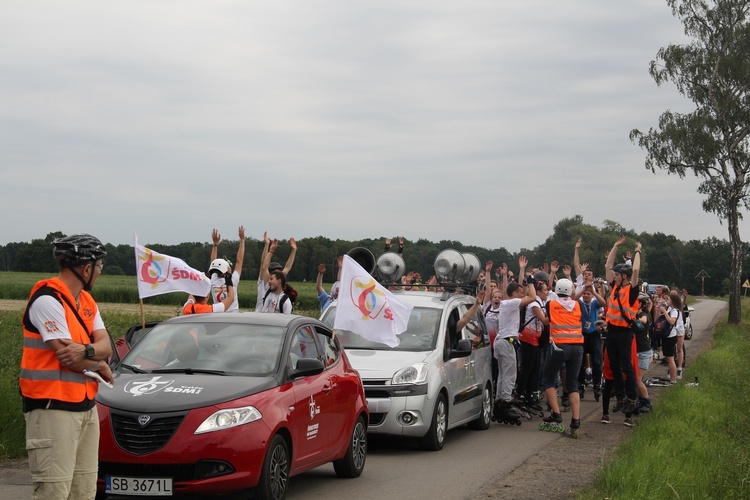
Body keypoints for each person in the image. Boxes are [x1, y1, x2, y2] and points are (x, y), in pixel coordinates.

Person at [19, 234, 114, 499]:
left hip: (85, 407)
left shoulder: (86, 302)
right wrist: (100, 364)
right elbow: (68, 359)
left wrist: (89, 352)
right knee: (54, 491)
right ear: (86, 268)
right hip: (52, 409)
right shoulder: (47, 300)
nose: (100, 272)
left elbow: (106, 345)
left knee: (83, 492)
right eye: (100, 266)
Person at [492, 257, 537, 422]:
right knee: (510, 374)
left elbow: (513, 289)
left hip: (503, 342)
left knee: (504, 374)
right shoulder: (511, 302)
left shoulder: (507, 303)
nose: (522, 294)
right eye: (519, 293)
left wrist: (522, 271)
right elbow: (532, 297)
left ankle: (499, 402)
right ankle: (506, 402)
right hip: (506, 342)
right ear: (514, 295)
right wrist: (531, 281)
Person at [540, 278, 585, 437]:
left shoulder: (551, 304)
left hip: (559, 346)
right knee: (573, 383)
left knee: (548, 379)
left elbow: (547, 321)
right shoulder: (578, 304)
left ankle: (557, 413)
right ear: (571, 290)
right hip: (577, 346)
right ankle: (576, 420)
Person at [603, 237, 642, 418]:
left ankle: (633, 398)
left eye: (618, 275)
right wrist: (615, 246)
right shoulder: (615, 288)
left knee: (626, 366)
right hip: (612, 331)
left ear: (624, 277)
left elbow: (635, 269)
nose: (614, 276)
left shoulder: (631, 290)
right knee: (615, 366)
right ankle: (621, 398)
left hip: (625, 332)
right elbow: (608, 266)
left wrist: (637, 251)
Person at [577, 282, 606, 402]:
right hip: (582, 335)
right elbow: (574, 298)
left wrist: (594, 292)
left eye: (588, 294)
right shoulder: (579, 303)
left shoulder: (594, 302)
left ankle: (597, 385)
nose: (586, 296)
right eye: (585, 294)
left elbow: (604, 303)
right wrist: (583, 289)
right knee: (581, 362)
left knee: (596, 361)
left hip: (594, 334)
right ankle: (581, 385)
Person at [256, 232, 296, 311]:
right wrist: (268, 247)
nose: (278, 273)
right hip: (259, 317)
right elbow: (263, 265)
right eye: (275, 271)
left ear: (279, 280)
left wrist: (294, 250)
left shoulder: (282, 296)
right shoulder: (265, 283)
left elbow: (287, 267)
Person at [208, 226, 245, 312]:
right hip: (233, 315)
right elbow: (239, 261)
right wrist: (242, 241)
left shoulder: (214, 279)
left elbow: (213, 262)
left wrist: (215, 244)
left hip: (218, 314)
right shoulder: (233, 279)